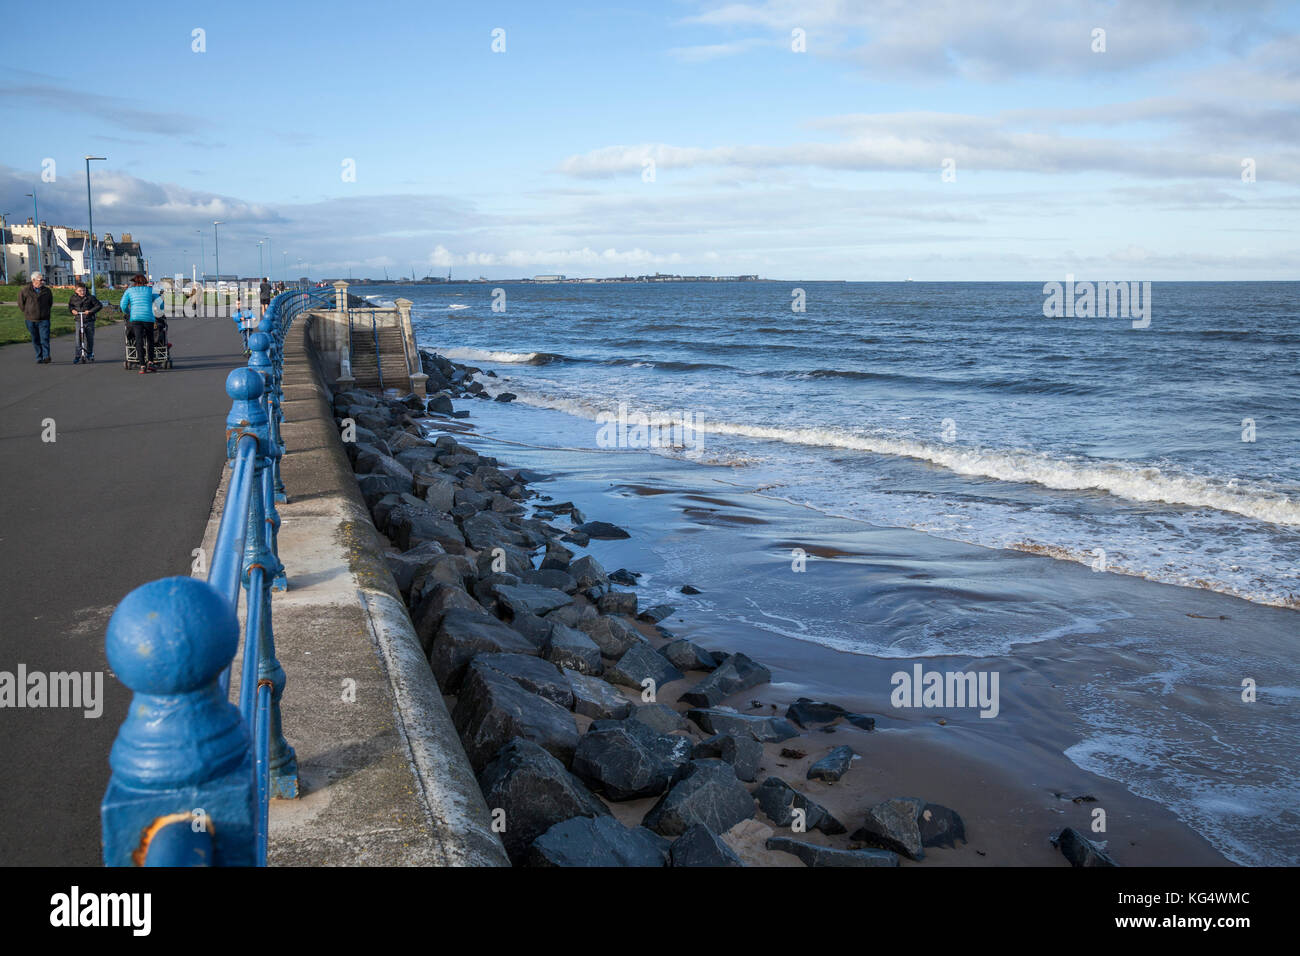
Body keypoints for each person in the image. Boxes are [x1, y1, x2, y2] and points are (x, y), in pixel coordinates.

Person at [119, 274, 161, 374]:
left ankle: (142, 365)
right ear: (145, 282)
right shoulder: (151, 290)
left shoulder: (129, 291)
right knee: (150, 340)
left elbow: (123, 305)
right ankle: (150, 362)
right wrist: (159, 311)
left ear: (134, 282)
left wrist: (128, 312)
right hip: (148, 318)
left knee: (139, 340)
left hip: (136, 318)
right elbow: (161, 303)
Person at [18, 272, 54, 364]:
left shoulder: (47, 291)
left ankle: (46, 356)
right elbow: (21, 304)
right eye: (40, 280)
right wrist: (27, 312)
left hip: (44, 319)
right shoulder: (25, 290)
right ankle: (39, 356)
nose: (42, 281)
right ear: (33, 280)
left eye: (43, 280)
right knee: (35, 339)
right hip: (30, 319)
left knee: (45, 338)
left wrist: (45, 312)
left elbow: (50, 303)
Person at [68, 281, 103, 364]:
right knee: (78, 339)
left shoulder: (90, 297)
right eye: (80, 291)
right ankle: (78, 355)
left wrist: (90, 311)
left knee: (89, 338)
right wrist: (72, 310)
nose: (82, 292)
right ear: (76, 291)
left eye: (83, 290)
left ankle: (89, 353)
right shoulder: (73, 298)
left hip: (89, 320)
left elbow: (99, 305)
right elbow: (70, 306)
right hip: (78, 320)